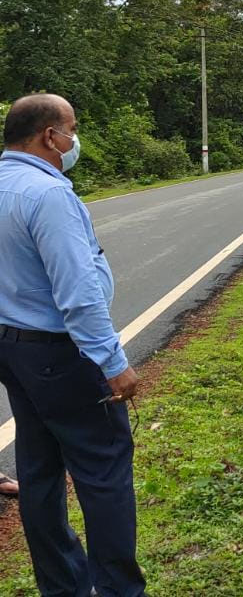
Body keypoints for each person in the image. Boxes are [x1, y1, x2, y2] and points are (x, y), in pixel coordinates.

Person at [0, 93, 146, 596]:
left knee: (38, 469)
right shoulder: (49, 194)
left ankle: (62, 587)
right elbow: (79, 295)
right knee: (103, 468)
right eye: (72, 128)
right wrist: (112, 362)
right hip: (62, 354)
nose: (74, 139)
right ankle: (118, 590)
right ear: (49, 136)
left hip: (14, 352)